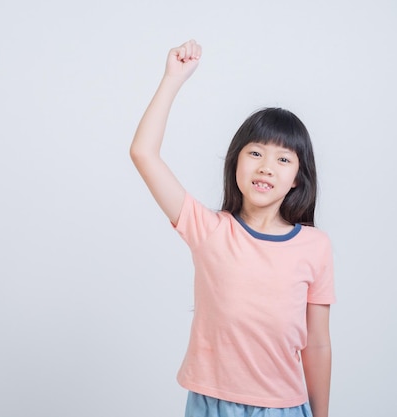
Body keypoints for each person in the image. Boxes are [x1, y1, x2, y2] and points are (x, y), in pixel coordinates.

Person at [130, 40, 335, 417]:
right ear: (235, 162)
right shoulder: (207, 229)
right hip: (212, 405)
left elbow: (318, 344)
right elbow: (143, 153)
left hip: (284, 408)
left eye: (283, 158)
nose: (266, 167)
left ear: (296, 179)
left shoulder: (315, 246)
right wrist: (173, 79)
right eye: (255, 153)